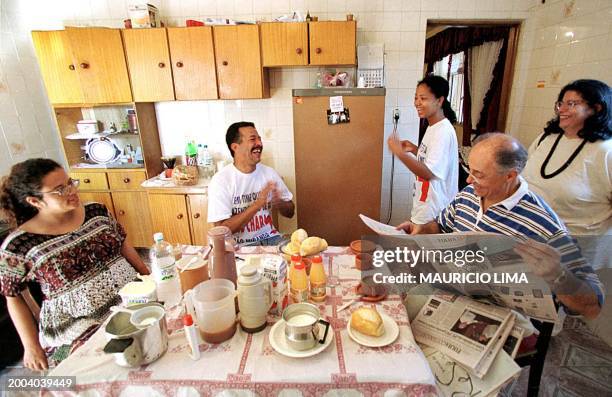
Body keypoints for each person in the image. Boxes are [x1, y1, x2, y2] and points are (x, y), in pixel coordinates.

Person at [397, 133, 604, 319]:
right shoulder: (469, 195)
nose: (469, 179)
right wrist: (420, 229)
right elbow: (440, 226)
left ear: (510, 176)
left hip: (502, 316)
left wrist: (557, 275)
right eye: (470, 170)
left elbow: (593, 304)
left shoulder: (544, 225)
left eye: (479, 174)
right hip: (452, 293)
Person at [0, 159, 149, 371]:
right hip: (76, 322)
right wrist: (30, 346)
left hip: (129, 297)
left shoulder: (96, 211)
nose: (71, 191)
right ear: (35, 201)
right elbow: (13, 297)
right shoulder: (18, 245)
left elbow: (123, 244)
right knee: (109, 367)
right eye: (59, 189)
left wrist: (146, 274)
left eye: (70, 183)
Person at [522, 79, 612, 236]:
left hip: (580, 247)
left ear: (596, 108)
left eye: (571, 104)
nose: (561, 110)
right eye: (560, 103)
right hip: (532, 235)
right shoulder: (546, 138)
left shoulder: (606, 151)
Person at [207, 122, 295, 246]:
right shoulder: (221, 180)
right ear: (235, 147)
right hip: (239, 246)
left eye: (259, 139)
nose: (259, 143)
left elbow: (290, 213)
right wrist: (257, 205)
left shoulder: (269, 173)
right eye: (253, 139)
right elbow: (221, 231)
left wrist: (280, 202)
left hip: (272, 239)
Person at [387, 74, 459, 225]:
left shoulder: (443, 131)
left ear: (439, 101)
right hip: (424, 208)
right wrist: (414, 149)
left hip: (434, 214)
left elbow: (428, 172)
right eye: (416, 98)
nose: (417, 103)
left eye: (423, 98)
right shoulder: (432, 126)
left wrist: (400, 153)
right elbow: (432, 159)